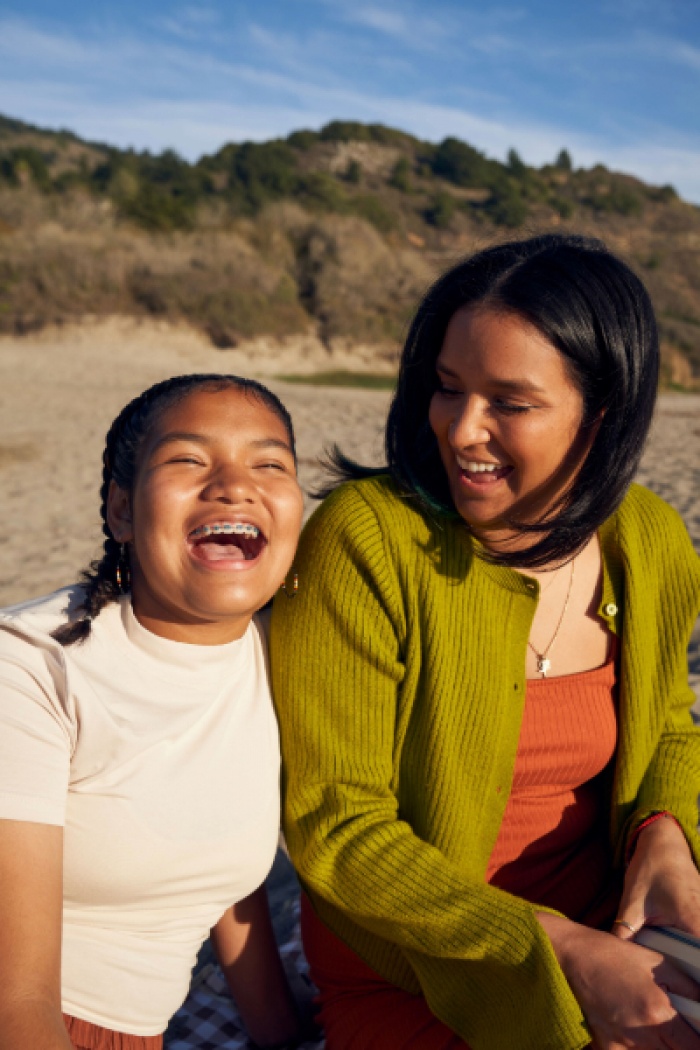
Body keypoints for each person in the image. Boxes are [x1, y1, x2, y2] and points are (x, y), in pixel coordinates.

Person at [270, 235, 700, 1050]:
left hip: (612, 929)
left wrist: (664, 835)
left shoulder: (648, 538)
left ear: (601, 412)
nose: (462, 430)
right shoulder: (368, 541)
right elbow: (338, 826)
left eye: (510, 402)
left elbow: (671, 723)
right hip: (415, 961)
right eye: (447, 387)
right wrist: (560, 951)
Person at [0, 373, 307, 1050]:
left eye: (269, 464)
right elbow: (15, 1001)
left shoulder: (276, 650)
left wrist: (284, 1040)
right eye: (188, 460)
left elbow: (218, 876)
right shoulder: (30, 667)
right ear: (121, 510)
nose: (232, 484)